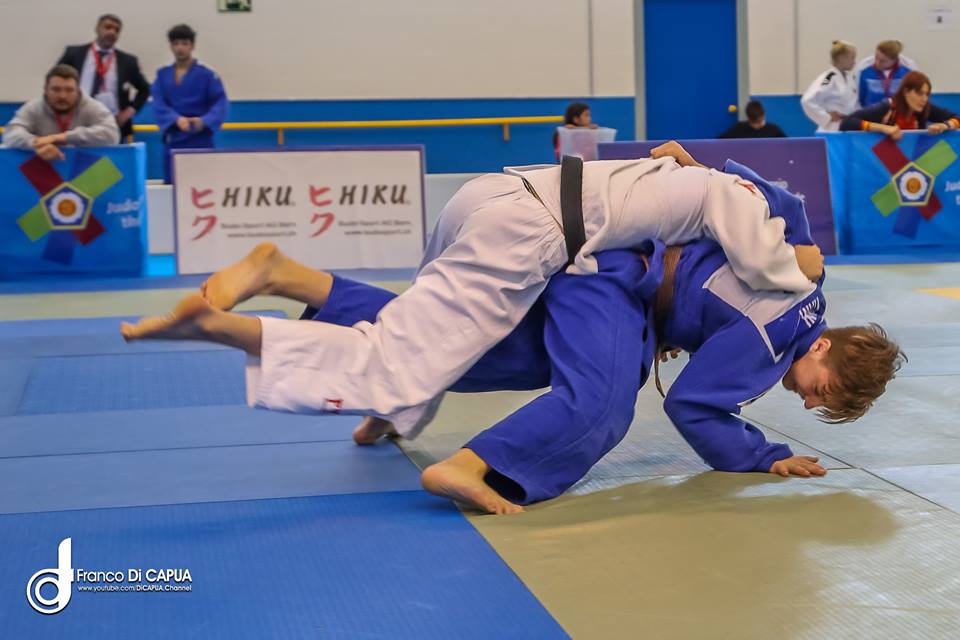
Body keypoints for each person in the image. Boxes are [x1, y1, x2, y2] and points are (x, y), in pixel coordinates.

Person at [119, 145, 904, 514]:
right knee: (603, 403)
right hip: (604, 271)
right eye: (824, 390)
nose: (810, 402)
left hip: (545, 223)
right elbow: (697, 404)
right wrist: (761, 456)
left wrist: (703, 170)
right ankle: (472, 463)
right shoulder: (779, 333)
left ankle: (304, 290)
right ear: (823, 346)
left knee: (480, 350)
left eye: (821, 407)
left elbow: (766, 191)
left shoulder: (803, 266)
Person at [151, 24, 229, 183]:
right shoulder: (162, 75)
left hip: (200, 138)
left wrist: (204, 121)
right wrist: (175, 119)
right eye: (176, 43)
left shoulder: (207, 75)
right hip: (174, 138)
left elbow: (220, 103)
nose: (180, 48)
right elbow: (159, 103)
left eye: (184, 43)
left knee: (203, 184)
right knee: (174, 186)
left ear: (192, 45)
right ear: (171, 46)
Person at [57, 13, 151, 142]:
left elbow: (145, 89)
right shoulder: (74, 54)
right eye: (108, 27)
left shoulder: (127, 61)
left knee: (109, 156)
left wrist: (129, 112)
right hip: (76, 120)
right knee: (76, 154)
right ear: (97, 28)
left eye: (116, 30)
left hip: (111, 124)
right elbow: (55, 80)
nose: (112, 32)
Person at [2, 64, 119, 161]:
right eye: (56, 89)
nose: (62, 96)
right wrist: (35, 143)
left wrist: (61, 137)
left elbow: (112, 134)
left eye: (69, 90)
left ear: (78, 91)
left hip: (86, 169)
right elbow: (10, 133)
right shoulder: (34, 107)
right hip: (43, 169)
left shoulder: (92, 107)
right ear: (45, 90)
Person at [840, 71, 959, 139]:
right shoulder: (887, 107)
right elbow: (846, 122)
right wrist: (883, 128)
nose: (924, 99)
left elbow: (957, 118)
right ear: (906, 91)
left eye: (927, 94)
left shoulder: (925, 108)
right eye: (919, 93)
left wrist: (945, 126)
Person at [801, 40, 860, 132]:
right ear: (842, 58)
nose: (854, 62)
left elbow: (854, 104)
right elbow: (807, 100)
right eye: (852, 58)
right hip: (832, 128)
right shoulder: (829, 77)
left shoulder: (850, 78)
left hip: (849, 126)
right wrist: (827, 116)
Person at [856, 40, 914, 108]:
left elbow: (911, 98)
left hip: (898, 112)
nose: (877, 63)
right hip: (871, 112)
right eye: (876, 58)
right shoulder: (865, 73)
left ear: (894, 60)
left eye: (883, 61)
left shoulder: (907, 74)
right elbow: (861, 99)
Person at [718, 100, 786, 138]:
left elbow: (787, 144)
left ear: (763, 116)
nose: (757, 126)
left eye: (759, 122)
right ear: (749, 118)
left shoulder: (773, 130)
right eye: (754, 123)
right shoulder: (739, 128)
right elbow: (720, 141)